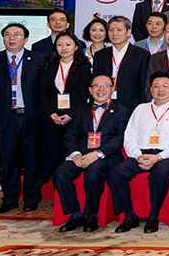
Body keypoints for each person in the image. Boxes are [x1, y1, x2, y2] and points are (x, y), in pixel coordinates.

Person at [107, 72, 169, 234]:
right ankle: (129, 215)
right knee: (115, 172)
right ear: (151, 90)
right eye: (156, 86)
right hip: (141, 154)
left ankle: (153, 216)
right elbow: (129, 136)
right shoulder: (141, 109)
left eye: (165, 86)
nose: (161, 89)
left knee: (160, 173)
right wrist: (138, 155)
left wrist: (158, 157)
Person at [0, 23, 49, 212]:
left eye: (17, 34)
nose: (12, 38)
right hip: (5, 118)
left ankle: (31, 198)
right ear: (3, 38)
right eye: (8, 34)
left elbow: (45, 91)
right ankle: (9, 199)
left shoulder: (39, 59)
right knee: (9, 161)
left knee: (32, 160)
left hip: (31, 116)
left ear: (26, 39)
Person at [53, 75, 132, 233]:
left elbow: (120, 139)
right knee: (60, 174)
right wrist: (75, 155)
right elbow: (70, 136)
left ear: (112, 89)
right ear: (90, 90)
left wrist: (98, 153)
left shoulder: (122, 112)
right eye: (96, 86)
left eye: (105, 85)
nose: (101, 89)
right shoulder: (79, 110)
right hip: (81, 154)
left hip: (106, 156)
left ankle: (91, 215)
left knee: (93, 171)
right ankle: (75, 214)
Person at [39, 32, 93, 174]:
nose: (64, 48)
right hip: (52, 117)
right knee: (54, 154)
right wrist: (51, 113)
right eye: (60, 45)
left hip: (74, 117)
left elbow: (84, 93)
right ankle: (57, 185)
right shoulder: (49, 66)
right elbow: (43, 92)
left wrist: (70, 114)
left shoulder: (83, 67)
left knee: (72, 153)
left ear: (75, 47)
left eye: (68, 44)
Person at [92, 16, 150, 111]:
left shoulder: (141, 54)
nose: (115, 33)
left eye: (119, 30)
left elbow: (143, 85)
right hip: (105, 104)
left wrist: (142, 108)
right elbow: (94, 81)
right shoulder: (100, 55)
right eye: (111, 30)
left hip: (130, 105)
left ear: (128, 32)